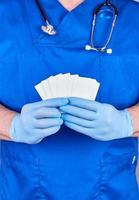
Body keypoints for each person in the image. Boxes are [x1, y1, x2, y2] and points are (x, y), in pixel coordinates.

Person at [0, 0, 139, 199]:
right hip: (21, 190)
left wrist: (127, 122)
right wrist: (12, 125)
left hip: (113, 191)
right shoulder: (5, 14)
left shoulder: (134, 19)